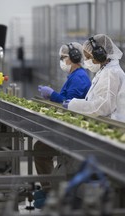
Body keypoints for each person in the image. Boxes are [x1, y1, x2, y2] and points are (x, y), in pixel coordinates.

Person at [34, 42, 91, 209]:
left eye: (63, 58)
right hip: (67, 126)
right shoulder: (74, 76)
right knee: (40, 148)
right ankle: (49, 190)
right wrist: (52, 96)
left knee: (40, 149)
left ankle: (51, 191)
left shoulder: (80, 78)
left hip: (74, 130)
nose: (61, 61)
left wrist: (52, 95)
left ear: (73, 57)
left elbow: (69, 104)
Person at [63, 34, 125, 123]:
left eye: (88, 57)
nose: (86, 61)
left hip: (111, 124)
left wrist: (74, 105)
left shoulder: (110, 73)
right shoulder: (105, 70)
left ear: (99, 55)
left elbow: (103, 107)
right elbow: (96, 100)